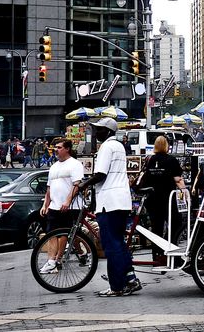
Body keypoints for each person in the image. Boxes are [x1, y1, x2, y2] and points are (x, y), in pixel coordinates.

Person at [78, 117, 141, 297]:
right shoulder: (119, 146)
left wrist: (83, 185)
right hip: (121, 200)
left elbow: (100, 174)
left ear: (108, 132)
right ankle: (130, 279)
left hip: (109, 201)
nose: (96, 133)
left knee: (111, 245)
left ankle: (116, 286)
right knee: (119, 243)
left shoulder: (106, 147)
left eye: (99, 130)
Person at [38, 139, 84, 274]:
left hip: (69, 207)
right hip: (54, 205)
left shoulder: (74, 164)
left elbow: (77, 185)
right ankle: (51, 261)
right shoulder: (54, 166)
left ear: (67, 149)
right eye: (55, 147)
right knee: (51, 233)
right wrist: (45, 205)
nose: (56, 150)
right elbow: (48, 188)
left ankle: (57, 260)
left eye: (59, 147)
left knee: (63, 234)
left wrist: (68, 201)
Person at [140, 136, 187, 265]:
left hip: (153, 199)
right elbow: (178, 179)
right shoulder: (171, 160)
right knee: (176, 225)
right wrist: (185, 193)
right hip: (168, 199)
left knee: (156, 228)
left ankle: (157, 256)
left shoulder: (150, 160)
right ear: (167, 145)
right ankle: (171, 252)